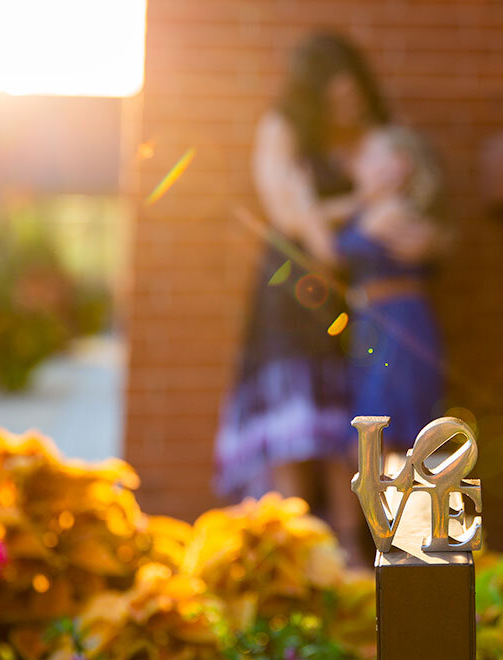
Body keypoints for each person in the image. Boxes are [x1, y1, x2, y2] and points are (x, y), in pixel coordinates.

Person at [214, 33, 388, 546]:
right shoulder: (282, 131)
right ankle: (299, 549)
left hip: (344, 297)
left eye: (354, 96)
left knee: (344, 425)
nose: (348, 106)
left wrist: (332, 212)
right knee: (295, 422)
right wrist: (357, 203)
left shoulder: (364, 139)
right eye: (337, 98)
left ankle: (350, 547)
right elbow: (286, 215)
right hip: (289, 294)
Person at [334, 126, 448, 456]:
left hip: (396, 326)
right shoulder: (380, 210)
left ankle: (393, 506)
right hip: (379, 322)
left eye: (369, 157)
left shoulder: (389, 212)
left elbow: (337, 251)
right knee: (380, 423)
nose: (358, 166)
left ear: (399, 166)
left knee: (385, 425)